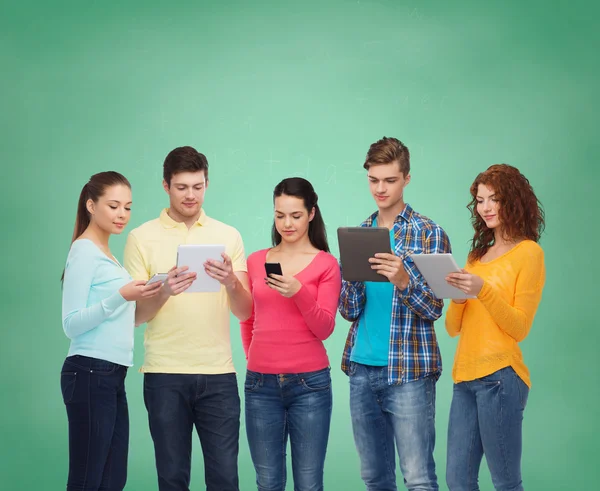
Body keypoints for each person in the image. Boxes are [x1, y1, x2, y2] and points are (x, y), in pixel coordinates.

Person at [123, 146, 252, 491]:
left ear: (207, 184)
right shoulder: (141, 238)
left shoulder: (229, 235)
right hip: (164, 374)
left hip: (219, 374)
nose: (191, 195)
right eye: (182, 187)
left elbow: (244, 311)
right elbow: (135, 317)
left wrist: (231, 281)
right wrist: (165, 290)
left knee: (225, 479)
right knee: (172, 477)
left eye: (197, 186)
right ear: (166, 186)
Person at [338, 137, 451, 491]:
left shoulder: (429, 234)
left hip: (410, 372)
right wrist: (355, 277)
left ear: (406, 179)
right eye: (374, 180)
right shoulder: (360, 233)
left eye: (389, 180)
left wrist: (403, 281)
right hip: (361, 370)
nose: (380, 189)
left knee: (418, 478)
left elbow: (435, 308)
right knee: (374, 479)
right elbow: (349, 310)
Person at [444, 164, 546, 491]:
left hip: (501, 379)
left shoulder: (529, 253)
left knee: (505, 482)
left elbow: (519, 327)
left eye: (494, 199)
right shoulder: (477, 256)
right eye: (480, 200)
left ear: (513, 201)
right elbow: (451, 328)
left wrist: (482, 290)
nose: (485, 207)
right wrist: (459, 297)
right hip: (464, 379)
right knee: (457, 480)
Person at [60, 171, 162, 491]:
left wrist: (160, 291)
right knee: (88, 478)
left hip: (111, 374)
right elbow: (71, 323)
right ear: (91, 205)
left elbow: (126, 319)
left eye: (128, 207)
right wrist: (121, 295)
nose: (122, 215)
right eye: (114, 206)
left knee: (113, 479)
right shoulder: (83, 250)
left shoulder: (110, 257)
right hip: (89, 371)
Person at [241, 177, 341, 491]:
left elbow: (324, 327)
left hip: (309, 384)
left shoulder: (327, 265)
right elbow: (248, 317)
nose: (287, 223)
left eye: (295, 215)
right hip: (260, 384)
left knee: (309, 483)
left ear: (311, 213)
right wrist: (255, 359)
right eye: (280, 215)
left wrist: (298, 291)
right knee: (268, 482)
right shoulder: (257, 261)